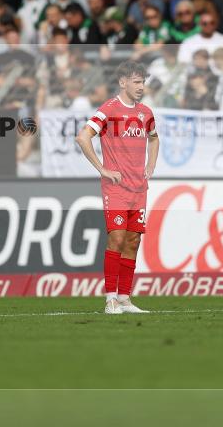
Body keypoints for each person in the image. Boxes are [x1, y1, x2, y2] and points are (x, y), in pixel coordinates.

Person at [75, 61, 158, 315]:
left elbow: (154, 138)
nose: (141, 87)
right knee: (118, 238)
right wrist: (102, 169)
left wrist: (150, 166)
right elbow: (83, 136)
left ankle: (124, 299)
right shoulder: (109, 109)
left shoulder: (145, 112)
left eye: (143, 82)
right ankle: (110, 298)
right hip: (116, 188)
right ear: (122, 82)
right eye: (136, 81)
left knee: (133, 241)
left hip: (138, 189)